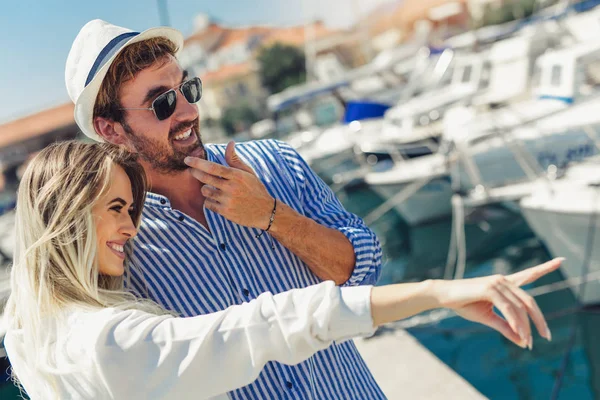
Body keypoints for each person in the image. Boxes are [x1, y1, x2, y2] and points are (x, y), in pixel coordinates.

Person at [3, 140, 559, 399]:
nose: (130, 226)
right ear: (111, 124)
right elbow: (274, 324)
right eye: (163, 101)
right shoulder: (109, 339)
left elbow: (360, 266)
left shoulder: (30, 328)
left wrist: (270, 215)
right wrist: (435, 291)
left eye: (188, 88)